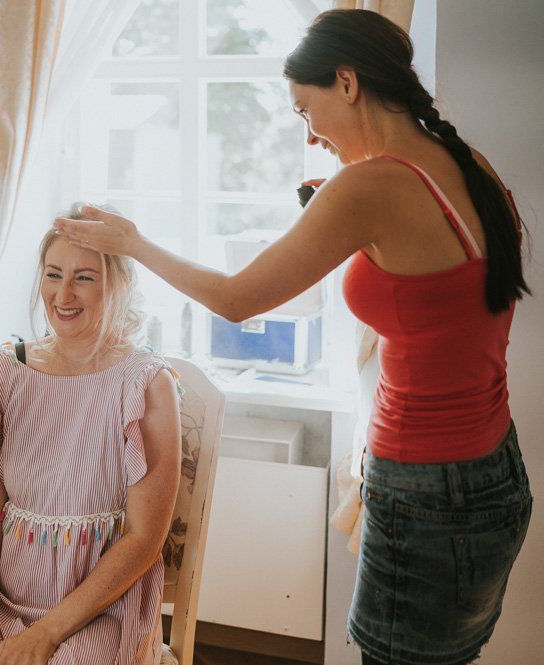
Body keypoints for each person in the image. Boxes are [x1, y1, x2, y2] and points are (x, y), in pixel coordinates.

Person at [55, 9, 532, 665]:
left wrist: (134, 242)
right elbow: (440, 292)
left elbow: (236, 299)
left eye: (307, 110)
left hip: (425, 488)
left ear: (347, 82)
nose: (311, 135)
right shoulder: (464, 164)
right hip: (494, 471)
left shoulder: (368, 189)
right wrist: (341, 210)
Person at [0, 206, 182, 665]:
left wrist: (48, 633)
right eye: (54, 274)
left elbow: (144, 538)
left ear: (119, 285)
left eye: (84, 278)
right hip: (3, 601)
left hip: (102, 611)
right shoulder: (5, 372)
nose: (64, 294)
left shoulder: (146, 383)